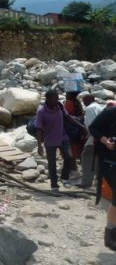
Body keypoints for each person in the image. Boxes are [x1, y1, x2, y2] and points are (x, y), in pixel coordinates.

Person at [35, 90, 75, 191]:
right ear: (48, 99)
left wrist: (81, 127)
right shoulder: (41, 111)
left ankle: (64, 177)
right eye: (55, 98)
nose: (57, 100)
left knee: (69, 156)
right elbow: (39, 129)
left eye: (58, 98)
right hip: (50, 140)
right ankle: (54, 185)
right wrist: (39, 145)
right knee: (52, 163)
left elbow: (67, 117)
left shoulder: (60, 107)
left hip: (63, 137)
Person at [89, 106, 116, 250]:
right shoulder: (110, 113)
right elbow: (93, 128)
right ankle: (110, 234)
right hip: (110, 161)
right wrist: (106, 141)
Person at [76, 94, 104, 188]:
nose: (83, 103)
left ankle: (86, 181)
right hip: (101, 137)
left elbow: (90, 125)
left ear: (88, 99)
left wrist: (86, 134)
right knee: (96, 159)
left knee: (86, 157)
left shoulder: (89, 108)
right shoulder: (99, 107)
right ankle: (97, 181)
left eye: (84, 100)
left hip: (93, 137)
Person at [64, 91, 84, 172]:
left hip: (70, 128)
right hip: (78, 128)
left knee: (70, 149)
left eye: (67, 94)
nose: (65, 95)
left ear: (69, 95)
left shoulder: (68, 103)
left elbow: (65, 115)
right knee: (77, 148)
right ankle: (83, 168)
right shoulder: (77, 102)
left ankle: (73, 169)